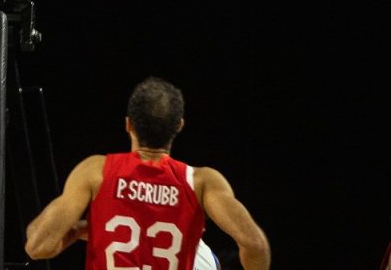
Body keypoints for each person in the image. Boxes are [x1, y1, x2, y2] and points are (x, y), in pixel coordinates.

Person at [24, 76, 271, 270]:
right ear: (179, 126)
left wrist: (78, 230)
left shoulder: (97, 171)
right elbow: (255, 244)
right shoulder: (200, 182)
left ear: (128, 124)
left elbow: (37, 246)